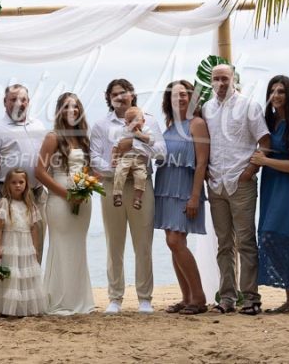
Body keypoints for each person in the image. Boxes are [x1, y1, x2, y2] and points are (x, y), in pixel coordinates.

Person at [90, 79, 166, 314]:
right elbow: (95, 159)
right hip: (113, 185)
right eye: (115, 94)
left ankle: (145, 298)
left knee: (143, 243)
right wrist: (119, 169)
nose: (120, 97)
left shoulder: (149, 120)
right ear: (109, 97)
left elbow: (162, 152)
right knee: (114, 243)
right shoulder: (101, 125)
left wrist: (138, 140)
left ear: (132, 94)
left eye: (123, 93)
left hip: (142, 186)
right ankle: (115, 298)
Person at [203, 64, 270, 315]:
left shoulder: (249, 107)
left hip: (240, 182)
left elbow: (265, 141)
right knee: (223, 244)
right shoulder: (207, 109)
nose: (220, 83)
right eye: (216, 79)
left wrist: (250, 171)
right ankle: (227, 298)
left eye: (224, 78)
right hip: (216, 184)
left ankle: (251, 298)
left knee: (245, 242)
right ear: (211, 82)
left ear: (234, 80)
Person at [250, 75, 289, 313]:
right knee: (271, 238)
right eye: (272, 91)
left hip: (287, 187)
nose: (276, 96)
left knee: (277, 237)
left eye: (281, 92)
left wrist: (265, 160)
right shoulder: (273, 122)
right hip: (271, 185)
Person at [35, 92, 95, 315]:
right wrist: (67, 194)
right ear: (60, 111)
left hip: (84, 197)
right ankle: (60, 300)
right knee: (61, 246)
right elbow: (39, 172)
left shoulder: (82, 138)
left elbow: (89, 169)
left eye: (76, 107)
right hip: (59, 200)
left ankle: (79, 300)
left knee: (78, 247)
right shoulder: (53, 137)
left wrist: (87, 186)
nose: (73, 111)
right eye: (67, 107)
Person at [154, 80, 211, 315]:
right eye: (175, 95)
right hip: (166, 189)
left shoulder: (196, 124)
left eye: (185, 94)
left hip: (185, 191)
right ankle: (186, 297)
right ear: (169, 100)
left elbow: (201, 163)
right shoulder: (169, 126)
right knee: (174, 245)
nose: (181, 98)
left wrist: (195, 196)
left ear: (192, 98)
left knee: (175, 242)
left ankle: (198, 298)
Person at [0, 84, 47, 254]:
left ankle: (35, 280)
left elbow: (46, 159)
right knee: (12, 249)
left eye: (23, 99)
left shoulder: (38, 126)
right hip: (8, 197)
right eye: (13, 99)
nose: (19, 103)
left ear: (28, 102)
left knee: (35, 247)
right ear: (5, 102)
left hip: (37, 195)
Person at [0, 168, 46, 317]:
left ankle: (25, 308)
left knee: (25, 275)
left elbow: (34, 228)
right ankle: (8, 309)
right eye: (13, 182)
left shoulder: (30, 204)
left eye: (21, 182)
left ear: (26, 184)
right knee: (11, 274)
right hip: (10, 243)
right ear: (7, 184)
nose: (17, 185)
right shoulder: (4, 203)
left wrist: (35, 248)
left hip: (26, 244)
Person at [111, 106, 152, 210]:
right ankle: (117, 194)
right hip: (125, 157)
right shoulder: (123, 131)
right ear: (126, 123)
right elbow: (116, 145)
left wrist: (140, 135)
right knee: (119, 172)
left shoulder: (146, 130)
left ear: (143, 121)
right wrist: (114, 158)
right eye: (130, 121)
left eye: (136, 120)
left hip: (139, 159)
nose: (133, 123)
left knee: (141, 176)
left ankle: (138, 198)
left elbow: (151, 141)